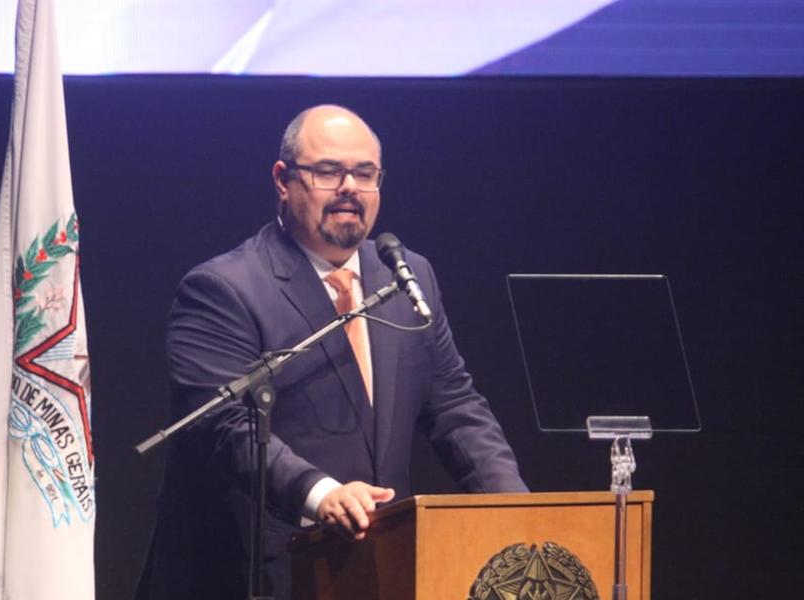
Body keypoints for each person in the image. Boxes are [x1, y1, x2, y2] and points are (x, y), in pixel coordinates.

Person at [137, 105, 527, 600]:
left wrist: (514, 509)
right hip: (262, 574)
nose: (349, 187)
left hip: (380, 568)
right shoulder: (223, 288)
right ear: (283, 180)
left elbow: (455, 407)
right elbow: (224, 427)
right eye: (329, 171)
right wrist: (321, 494)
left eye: (365, 174)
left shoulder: (406, 277)